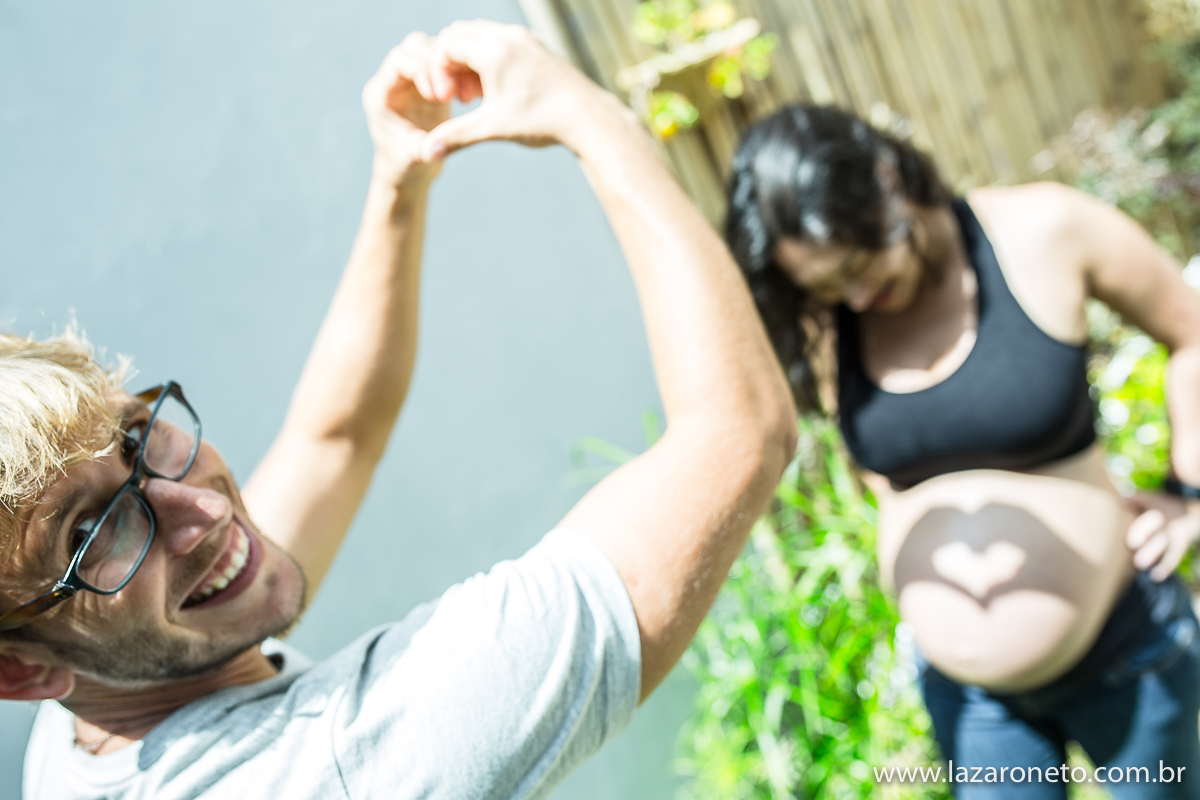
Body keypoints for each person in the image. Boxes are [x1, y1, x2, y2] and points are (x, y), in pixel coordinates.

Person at [0, 21, 797, 799]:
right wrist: (595, 120)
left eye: (139, 436)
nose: (201, 509)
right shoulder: (347, 764)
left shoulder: (87, 723)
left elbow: (333, 440)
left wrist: (398, 177)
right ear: (19, 671)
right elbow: (737, 434)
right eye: (96, 531)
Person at [725, 104, 1200, 798]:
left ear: (888, 182)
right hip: (972, 699)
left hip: (1125, 656)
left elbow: (1191, 334)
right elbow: (887, 473)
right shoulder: (834, 319)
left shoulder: (1045, 229)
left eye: (859, 264)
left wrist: (1188, 496)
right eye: (824, 286)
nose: (855, 296)